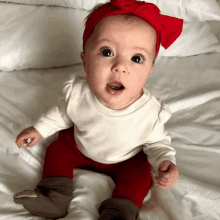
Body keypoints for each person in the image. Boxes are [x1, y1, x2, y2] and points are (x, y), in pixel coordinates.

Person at [13, 0, 183, 219]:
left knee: (141, 174)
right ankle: (54, 196)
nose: (120, 66)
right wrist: (38, 129)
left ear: (150, 69)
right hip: (80, 146)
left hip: (126, 158)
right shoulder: (78, 93)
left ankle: (120, 210)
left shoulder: (150, 112)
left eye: (136, 58)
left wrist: (165, 163)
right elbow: (62, 114)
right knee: (58, 148)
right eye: (107, 52)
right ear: (85, 60)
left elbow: (157, 143)